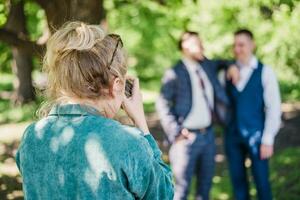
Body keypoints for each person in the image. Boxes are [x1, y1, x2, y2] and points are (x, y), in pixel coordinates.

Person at [15, 21, 174, 200]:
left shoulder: (32, 137)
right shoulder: (128, 143)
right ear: (118, 85)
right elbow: (164, 194)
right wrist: (141, 124)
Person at [156, 31, 238, 200]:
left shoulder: (206, 65)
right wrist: (176, 131)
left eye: (201, 43)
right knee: (181, 191)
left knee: (205, 189)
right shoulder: (175, 72)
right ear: (185, 46)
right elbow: (162, 103)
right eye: (197, 43)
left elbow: (223, 62)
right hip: (186, 139)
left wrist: (231, 66)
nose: (202, 47)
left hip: (208, 136)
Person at [225, 29, 281, 200]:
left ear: (252, 45)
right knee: (238, 184)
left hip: (257, 136)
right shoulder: (228, 71)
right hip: (233, 136)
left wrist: (268, 138)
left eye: (241, 45)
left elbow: (274, 107)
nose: (237, 49)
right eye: (235, 45)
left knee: (262, 183)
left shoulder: (265, 72)